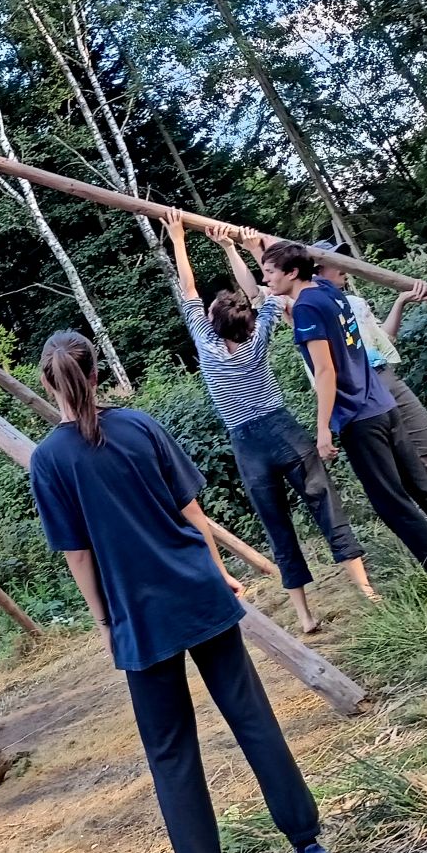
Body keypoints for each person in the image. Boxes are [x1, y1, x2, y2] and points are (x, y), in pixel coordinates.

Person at [29, 330, 344, 853]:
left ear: (46, 381)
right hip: (197, 592)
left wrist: (105, 623)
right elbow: (192, 513)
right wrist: (219, 575)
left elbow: (78, 556)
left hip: (139, 617)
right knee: (252, 717)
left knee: (171, 751)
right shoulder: (140, 425)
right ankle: (311, 850)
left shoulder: (48, 461)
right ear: (97, 374)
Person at [260, 239, 427, 608]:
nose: (266, 280)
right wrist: (263, 248)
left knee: (393, 505)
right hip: (383, 404)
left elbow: (325, 371)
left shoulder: (307, 308)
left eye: (270, 272)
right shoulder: (328, 291)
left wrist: (323, 428)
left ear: (292, 272)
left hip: (358, 418)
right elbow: (303, 265)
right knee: (425, 488)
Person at [164, 211, 375, 633]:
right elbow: (264, 294)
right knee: (326, 507)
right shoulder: (257, 336)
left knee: (279, 530)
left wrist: (177, 237)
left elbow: (187, 288)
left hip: (248, 447)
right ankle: (366, 590)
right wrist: (234, 248)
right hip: (284, 433)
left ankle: (304, 615)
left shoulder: (206, 344)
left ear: (212, 320)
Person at [309, 241, 427, 535]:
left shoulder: (355, 303)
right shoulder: (307, 308)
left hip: (385, 378)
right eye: (336, 262)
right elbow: (264, 292)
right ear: (317, 269)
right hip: (355, 393)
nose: (344, 267)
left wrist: (401, 302)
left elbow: (385, 340)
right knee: (397, 473)